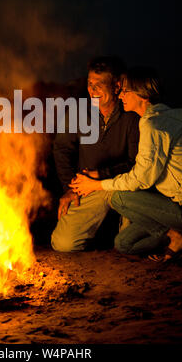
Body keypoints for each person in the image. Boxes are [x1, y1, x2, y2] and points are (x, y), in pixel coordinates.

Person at [70, 66, 182, 261]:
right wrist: (98, 176)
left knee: (118, 197)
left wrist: (95, 185)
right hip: (170, 203)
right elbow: (144, 172)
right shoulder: (157, 118)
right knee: (124, 244)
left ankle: (178, 236)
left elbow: (142, 179)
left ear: (143, 94)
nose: (120, 96)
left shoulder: (154, 124)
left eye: (125, 91)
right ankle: (175, 236)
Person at [51, 56, 140, 252]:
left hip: (123, 186)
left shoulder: (132, 115)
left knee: (131, 245)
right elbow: (62, 150)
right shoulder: (78, 112)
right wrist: (70, 187)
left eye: (99, 85)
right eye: (90, 84)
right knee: (63, 243)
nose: (92, 90)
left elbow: (136, 163)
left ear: (116, 86)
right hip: (89, 188)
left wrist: (102, 174)